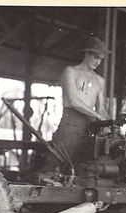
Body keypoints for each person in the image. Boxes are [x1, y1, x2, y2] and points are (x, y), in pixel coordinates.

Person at [43, 36, 110, 173]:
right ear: (87, 53)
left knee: (83, 171)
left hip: (89, 129)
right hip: (70, 124)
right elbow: (74, 101)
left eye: (101, 59)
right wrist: (98, 116)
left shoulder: (99, 81)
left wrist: (110, 124)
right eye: (96, 57)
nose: (98, 62)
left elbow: (101, 108)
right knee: (55, 166)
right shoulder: (71, 72)